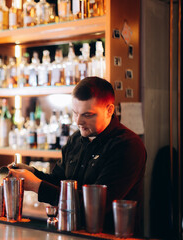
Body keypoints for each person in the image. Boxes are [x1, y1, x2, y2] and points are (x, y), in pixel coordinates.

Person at [9, 77, 146, 234]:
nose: (78, 121)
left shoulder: (127, 146)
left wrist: (36, 186)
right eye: (75, 113)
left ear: (109, 110)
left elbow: (95, 206)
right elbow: (59, 181)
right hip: (71, 232)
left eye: (88, 115)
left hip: (110, 236)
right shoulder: (76, 139)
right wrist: (32, 173)